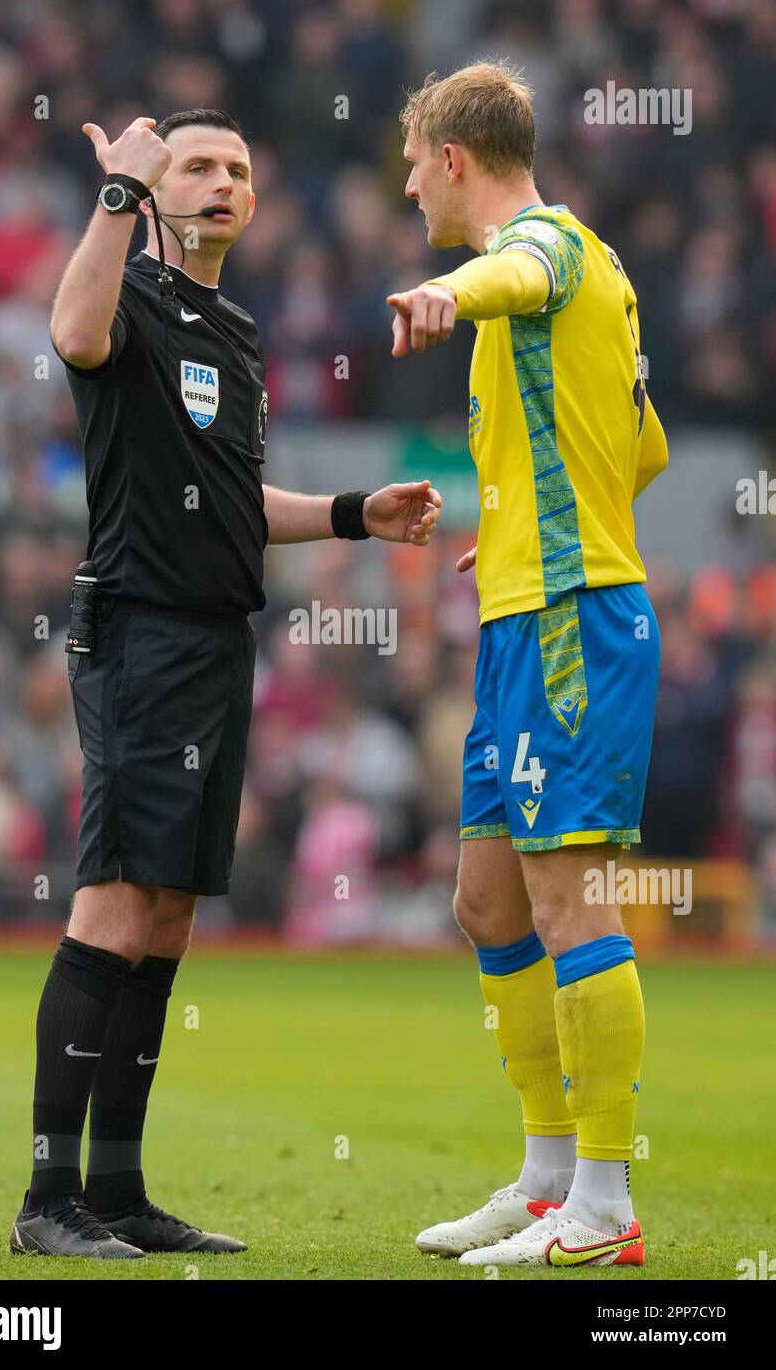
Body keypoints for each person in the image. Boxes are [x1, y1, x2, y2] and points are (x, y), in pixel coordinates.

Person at [10, 108, 442, 1259]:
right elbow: (72, 329)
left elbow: (239, 504)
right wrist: (115, 194)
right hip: (140, 633)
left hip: (214, 636)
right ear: (157, 188)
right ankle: (45, 1203)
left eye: (237, 170)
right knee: (110, 903)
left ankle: (117, 1192)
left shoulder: (236, 331)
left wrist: (357, 514)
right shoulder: (129, 291)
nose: (220, 183)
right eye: (197, 166)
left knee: (165, 920)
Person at [386, 63, 667, 1269]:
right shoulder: (600, 275)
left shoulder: (548, 249)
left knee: (567, 901)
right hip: (525, 607)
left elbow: (519, 269)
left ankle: (605, 1204)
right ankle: (547, 1176)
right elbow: (641, 447)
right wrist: (517, 530)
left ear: (454, 157)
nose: (405, 185)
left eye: (413, 163)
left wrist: (451, 287)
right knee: (487, 902)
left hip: (572, 622)